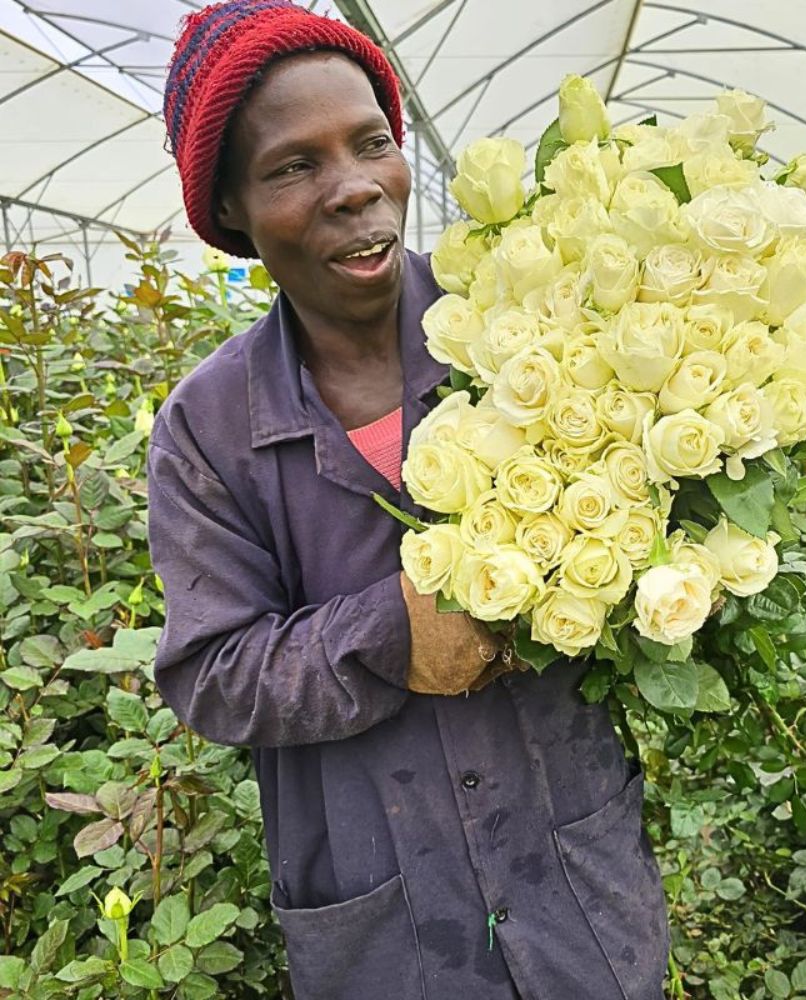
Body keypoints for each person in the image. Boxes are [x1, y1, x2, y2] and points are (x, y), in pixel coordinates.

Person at [149, 2, 670, 998]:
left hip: (574, 891)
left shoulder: (521, 331)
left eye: (369, 143)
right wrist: (393, 632)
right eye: (292, 166)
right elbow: (211, 670)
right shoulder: (209, 427)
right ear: (230, 210)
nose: (352, 189)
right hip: (388, 922)